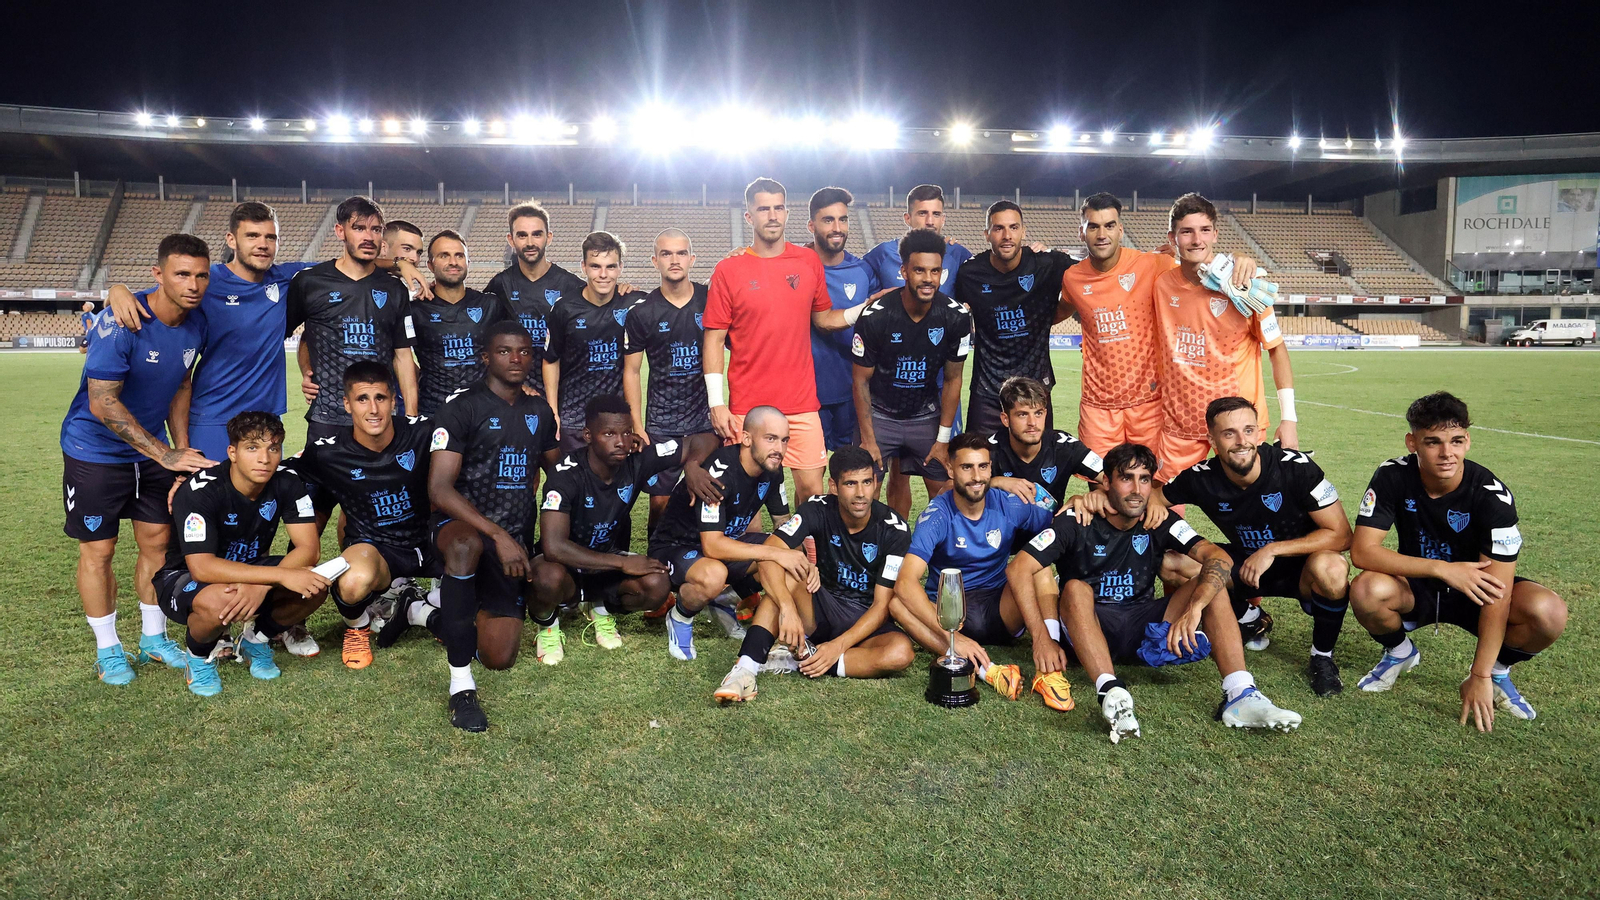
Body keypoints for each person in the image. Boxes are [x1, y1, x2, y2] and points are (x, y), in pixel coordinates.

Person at [1009, 443, 1304, 742]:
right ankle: (1110, 690)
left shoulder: (1159, 519)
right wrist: (1042, 638)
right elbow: (1018, 569)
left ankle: (1240, 694)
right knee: (1074, 588)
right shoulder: (1077, 519)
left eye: (1145, 479)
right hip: (1089, 627)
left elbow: (1219, 558)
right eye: (1126, 478)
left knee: (1211, 582)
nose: (1136, 489)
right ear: (1106, 482)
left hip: (1143, 627)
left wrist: (1195, 609)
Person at [1348, 392, 1566, 730]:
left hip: (1476, 590)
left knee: (1548, 611)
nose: (1447, 453)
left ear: (1468, 441)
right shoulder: (1391, 475)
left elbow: (1499, 590)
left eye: (1456, 440)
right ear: (1412, 442)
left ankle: (1497, 671)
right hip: (1419, 586)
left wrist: (1479, 674)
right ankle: (1400, 652)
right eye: (1433, 442)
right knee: (1366, 589)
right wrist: (1441, 568)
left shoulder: (1492, 495)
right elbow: (1362, 552)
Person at [60, 233, 213, 685]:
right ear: (158, 274)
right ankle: (108, 649)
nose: (193, 284)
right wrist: (165, 453)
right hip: (95, 451)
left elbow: (181, 384)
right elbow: (103, 403)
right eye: (182, 273)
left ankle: (153, 639)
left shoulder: (196, 323)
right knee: (99, 551)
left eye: (201, 275)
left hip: (151, 452)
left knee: (156, 544)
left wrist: (179, 450)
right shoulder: (119, 321)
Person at [1134, 397, 1353, 696]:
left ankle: (1322, 658)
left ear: (1259, 433)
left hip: (1303, 567)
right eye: (1229, 434)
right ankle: (1248, 618)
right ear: (1212, 440)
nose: (1241, 442)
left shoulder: (1296, 468)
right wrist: (1102, 500)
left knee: (1332, 566)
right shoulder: (1202, 478)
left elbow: (1342, 535)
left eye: (1249, 430)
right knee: (1172, 563)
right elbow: (1153, 498)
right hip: (1245, 567)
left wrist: (1272, 549)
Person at [427, 321, 561, 731]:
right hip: (460, 528)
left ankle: (426, 612)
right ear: (486, 357)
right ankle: (460, 688)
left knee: (499, 658)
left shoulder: (539, 410)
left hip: (512, 542)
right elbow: (439, 488)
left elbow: (558, 473)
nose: (516, 359)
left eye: (523, 351)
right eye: (504, 351)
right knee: (467, 547)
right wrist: (497, 534)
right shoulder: (462, 407)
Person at [702, 177, 868, 506]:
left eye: (778, 207)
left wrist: (864, 309)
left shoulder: (807, 263)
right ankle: (750, 558)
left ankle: (809, 558)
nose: (772, 215)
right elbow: (714, 339)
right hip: (748, 406)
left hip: (802, 403)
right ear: (749, 216)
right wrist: (716, 403)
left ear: (787, 213)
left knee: (813, 495)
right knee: (743, 498)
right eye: (763, 208)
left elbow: (823, 318)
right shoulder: (728, 269)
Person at [714, 446, 916, 703]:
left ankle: (805, 660)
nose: (861, 493)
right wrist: (787, 607)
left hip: (864, 618)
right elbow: (769, 553)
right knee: (786, 571)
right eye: (851, 484)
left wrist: (838, 646)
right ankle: (745, 670)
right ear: (833, 486)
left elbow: (881, 605)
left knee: (900, 653)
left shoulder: (894, 529)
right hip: (820, 605)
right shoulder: (816, 508)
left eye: (867, 482)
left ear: (876, 483)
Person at [152, 412, 332, 696]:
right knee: (219, 599)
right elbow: (201, 567)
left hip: (251, 567)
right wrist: (272, 578)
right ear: (232, 453)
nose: (265, 458)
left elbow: (309, 548)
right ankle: (198, 657)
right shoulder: (200, 489)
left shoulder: (287, 480)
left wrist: (260, 585)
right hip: (184, 576)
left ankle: (254, 639)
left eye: (273, 448)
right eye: (252, 448)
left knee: (315, 583)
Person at [281, 361, 441, 669]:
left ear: (394, 400)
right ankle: (357, 627)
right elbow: (272, 471)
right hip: (377, 552)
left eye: (380, 398)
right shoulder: (327, 452)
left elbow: (479, 423)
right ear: (346, 404)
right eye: (362, 399)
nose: (373, 409)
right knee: (353, 582)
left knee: (476, 578)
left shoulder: (424, 432)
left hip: (431, 542)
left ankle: (420, 606)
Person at [532, 395, 716, 651]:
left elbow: (704, 439)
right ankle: (548, 627)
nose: (620, 442)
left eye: (626, 433)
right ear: (588, 435)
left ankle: (600, 608)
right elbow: (554, 547)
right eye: (608, 434)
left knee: (657, 583)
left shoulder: (637, 460)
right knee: (546, 577)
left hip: (605, 562)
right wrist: (623, 562)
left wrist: (693, 465)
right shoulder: (566, 474)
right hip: (565, 566)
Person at [888, 433, 1057, 704]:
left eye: (983, 467)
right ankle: (983, 668)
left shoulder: (1008, 503)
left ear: (991, 468)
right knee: (897, 603)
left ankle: (1051, 663)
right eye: (967, 467)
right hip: (951, 614)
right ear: (950, 470)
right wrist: (954, 638)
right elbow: (906, 581)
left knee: (1040, 569)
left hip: (1001, 608)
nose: (976, 476)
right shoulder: (937, 515)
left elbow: (1059, 523)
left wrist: (1079, 504)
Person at [1151, 192, 1296, 482]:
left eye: (1204, 230)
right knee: (1164, 502)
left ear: (1215, 234)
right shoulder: (1160, 282)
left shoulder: (1245, 285)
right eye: (1187, 232)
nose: (1196, 240)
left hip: (1238, 421)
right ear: (1172, 237)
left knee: (1253, 498)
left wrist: (1289, 419)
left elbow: (1277, 349)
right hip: (1181, 420)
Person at [646, 406, 798, 662]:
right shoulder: (720, 472)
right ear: (747, 439)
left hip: (726, 543)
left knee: (790, 555)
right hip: (677, 547)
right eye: (770, 438)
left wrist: (791, 552)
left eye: (784, 440)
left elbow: (782, 522)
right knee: (715, 573)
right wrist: (774, 552)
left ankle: (740, 613)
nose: (779, 449)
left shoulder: (772, 469)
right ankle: (680, 617)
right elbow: (713, 546)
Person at [862, 184, 975, 516]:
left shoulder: (960, 255)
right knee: (895, 474)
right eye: (922, 213)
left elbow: (978, 296)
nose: (929, 220)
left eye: (936, 213)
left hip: (939, 387)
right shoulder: (879, 255)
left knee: (940, 470)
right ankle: (897, 539)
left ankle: (944, 542)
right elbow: (862, 299)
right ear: (907, 216)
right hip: (891, 388)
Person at [287, 195, 421, 444]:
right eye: (359, 228)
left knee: (380, 483)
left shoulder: (395, 290)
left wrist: (410, 419)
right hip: (327, 418)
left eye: (376, 229)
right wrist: (306, 368)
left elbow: (403, 357)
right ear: (340, 231)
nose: (368, 237)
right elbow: (302, 334)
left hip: (379, 418)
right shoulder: (310, 282)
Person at [952, 200, 1074, 438]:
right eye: (998, 228)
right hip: (988, 391)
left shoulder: (1048, 264)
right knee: (978, 465)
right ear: (987, 234)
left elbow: (1097, 273)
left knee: (1035, 467)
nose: (1007, 235)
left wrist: (1153, 260)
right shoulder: (970, 273)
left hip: (1035, 390)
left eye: (1013, 227)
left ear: (1023, 232)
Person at [622, 229, 716, 533]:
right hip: (662, 425)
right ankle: (657, 565)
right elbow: (632, 371)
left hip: (705, 423)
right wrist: (637, 424)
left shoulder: (710, 299)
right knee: (659, 506)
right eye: (666, 254)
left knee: (708, 498)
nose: (674, 260)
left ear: (691, 258)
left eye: (680, 253)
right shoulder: (643, 312)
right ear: (655, 261)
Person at [542, 231, 643, 453]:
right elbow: (551, 360)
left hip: (615, 423)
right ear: (584, 267)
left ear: (620, 268)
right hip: (574, 421)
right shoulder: (564, 308)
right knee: (574, 484)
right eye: (596, 266)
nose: (603, 274)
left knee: (613, 485)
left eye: (611, 267)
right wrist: (553, 411)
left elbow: (675, 296)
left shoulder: (633, 303)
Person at [484, 202, 586, 399]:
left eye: (537, 234)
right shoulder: (500, 284)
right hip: (515, 394)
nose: (530, 242)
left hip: (564, 394)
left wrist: (624, 291)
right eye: (522, 235)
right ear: (511, 240)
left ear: (549, 237)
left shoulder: (571, 285)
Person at [805, 187, 881, 449]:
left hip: (852, 392)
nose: (837, 227)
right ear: (811, 225)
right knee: (809, 480)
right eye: (828, 220)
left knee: (852, 472)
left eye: (843, 219)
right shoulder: (797, 266)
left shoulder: (862, 270)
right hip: (806, 393)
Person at [410, 229, 510, 416]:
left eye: (459, 256)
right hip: (434, 413)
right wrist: (399, 264)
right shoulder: (416, 310)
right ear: (430, 265)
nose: (453, 262)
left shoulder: (490, 305)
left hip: (484, 413)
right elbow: (399, 356)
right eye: (444, 256)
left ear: (468, 263)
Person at [985, 376, 1104, 511]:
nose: (1032, 423)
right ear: (1005, 419)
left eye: (1038, 413)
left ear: (1045, 414)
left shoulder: (1064, 445)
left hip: (1053, 529)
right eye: (1022, 415)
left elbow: (1112, 476)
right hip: (1000, 531)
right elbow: (958, 488)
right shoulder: (987, 450)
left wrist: (1096, 495)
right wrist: (996, 482)